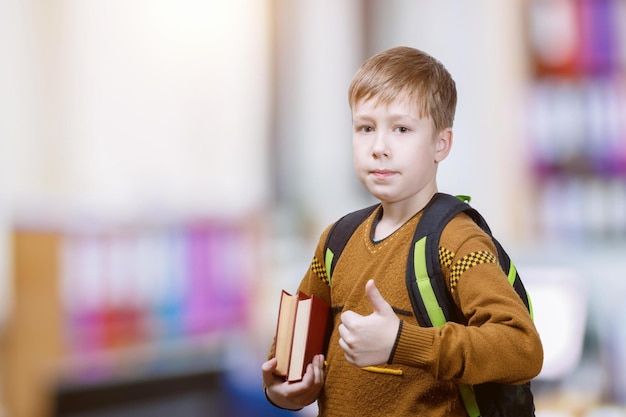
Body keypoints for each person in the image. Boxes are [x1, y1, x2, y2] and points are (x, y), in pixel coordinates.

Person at [261, 46, 543, 416]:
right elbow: (286, 359)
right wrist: (283, 390)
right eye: (365, 128)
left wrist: (401, 342)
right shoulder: (335, 242)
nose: (379, 147)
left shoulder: (457, 241)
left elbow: (521, 349)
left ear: (441, 143)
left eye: (402, 129)